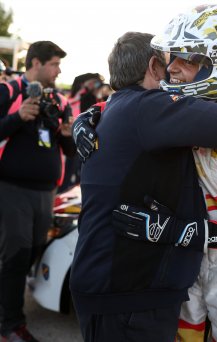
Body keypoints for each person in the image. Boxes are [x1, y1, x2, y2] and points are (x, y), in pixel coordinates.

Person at [73, 6, 217, 341]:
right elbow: (127, 107)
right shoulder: (178, 114)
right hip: (183, 259)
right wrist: (88, 115)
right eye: (174, 58)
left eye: (188, 59)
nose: (172, 68)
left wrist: (187, 232)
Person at [0, 40, 74, 342]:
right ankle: (10, 325)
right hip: (12, 188)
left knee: (30, 254)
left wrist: (67, 135)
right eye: (55, 64)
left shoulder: (60, 100)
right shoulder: (9, 91)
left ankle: (7, 305)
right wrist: (18, 118)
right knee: (16, 256)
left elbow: (69, 150)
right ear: (36, 64)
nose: (58, 70)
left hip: (46, 192)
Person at [58, 73, 106, 193]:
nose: (96, 86)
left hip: (76, 137)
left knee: (72, 174)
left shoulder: (74, 97)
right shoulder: (86, 97)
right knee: (74, 174)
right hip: (81, 139)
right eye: (94, 83)